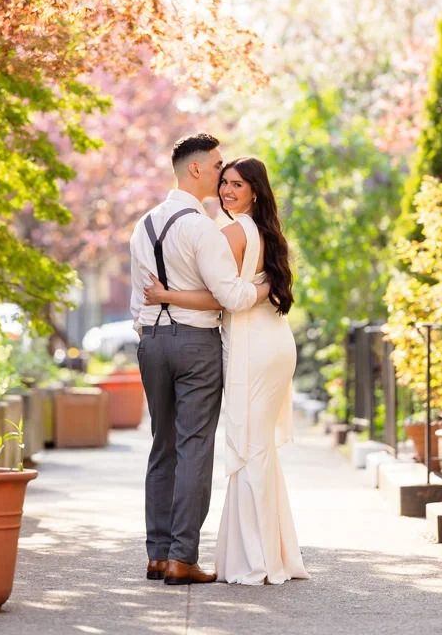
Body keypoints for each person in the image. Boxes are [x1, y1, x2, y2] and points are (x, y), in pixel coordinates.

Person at [144, 156, 309, 585]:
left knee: (249, 446)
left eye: (237, 185)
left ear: (255, 190)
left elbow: (223, 297)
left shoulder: (232, 232)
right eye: (226, 184)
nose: (227, 191)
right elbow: (253, 286)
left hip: (255, 346)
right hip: (271, 340)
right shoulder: (265, 230)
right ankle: (272, 554)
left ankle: (255, 561)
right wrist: (262, 287)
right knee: (258, 447)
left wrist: (167, 294)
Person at [130, 135, 271, 586]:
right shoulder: (202, 228)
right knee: (195, 446)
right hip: (196, 345)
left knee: (162, 446)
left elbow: (138, 303)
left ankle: (156, 556)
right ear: (195, 170)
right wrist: (267, 287)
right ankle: (182, 558)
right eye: (215, 166)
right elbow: (230, 297)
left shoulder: (143, 225)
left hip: (150, 341)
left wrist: (154, 326)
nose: (220, 173)